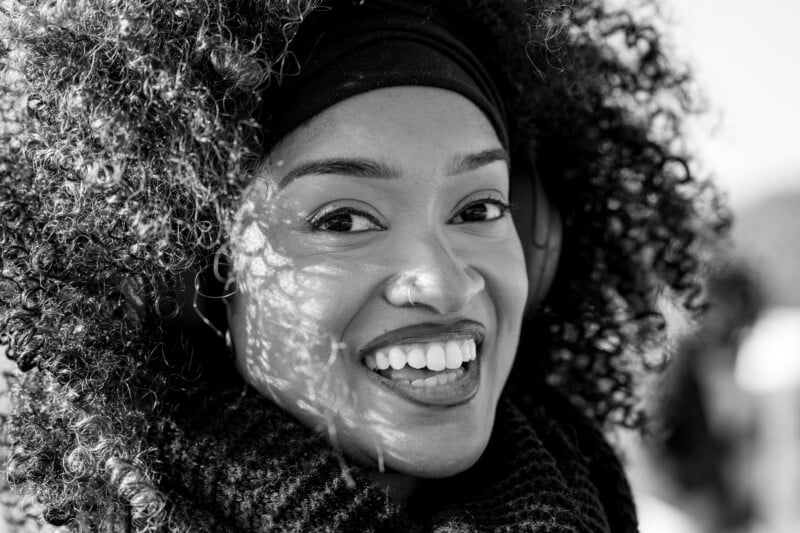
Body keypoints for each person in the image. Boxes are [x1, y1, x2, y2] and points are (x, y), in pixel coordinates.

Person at [0, 0, 728, 531]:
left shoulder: (593, 494)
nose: (445, 283)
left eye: (479, 208)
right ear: (196, 279)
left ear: (538, 242)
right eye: (343, 220)